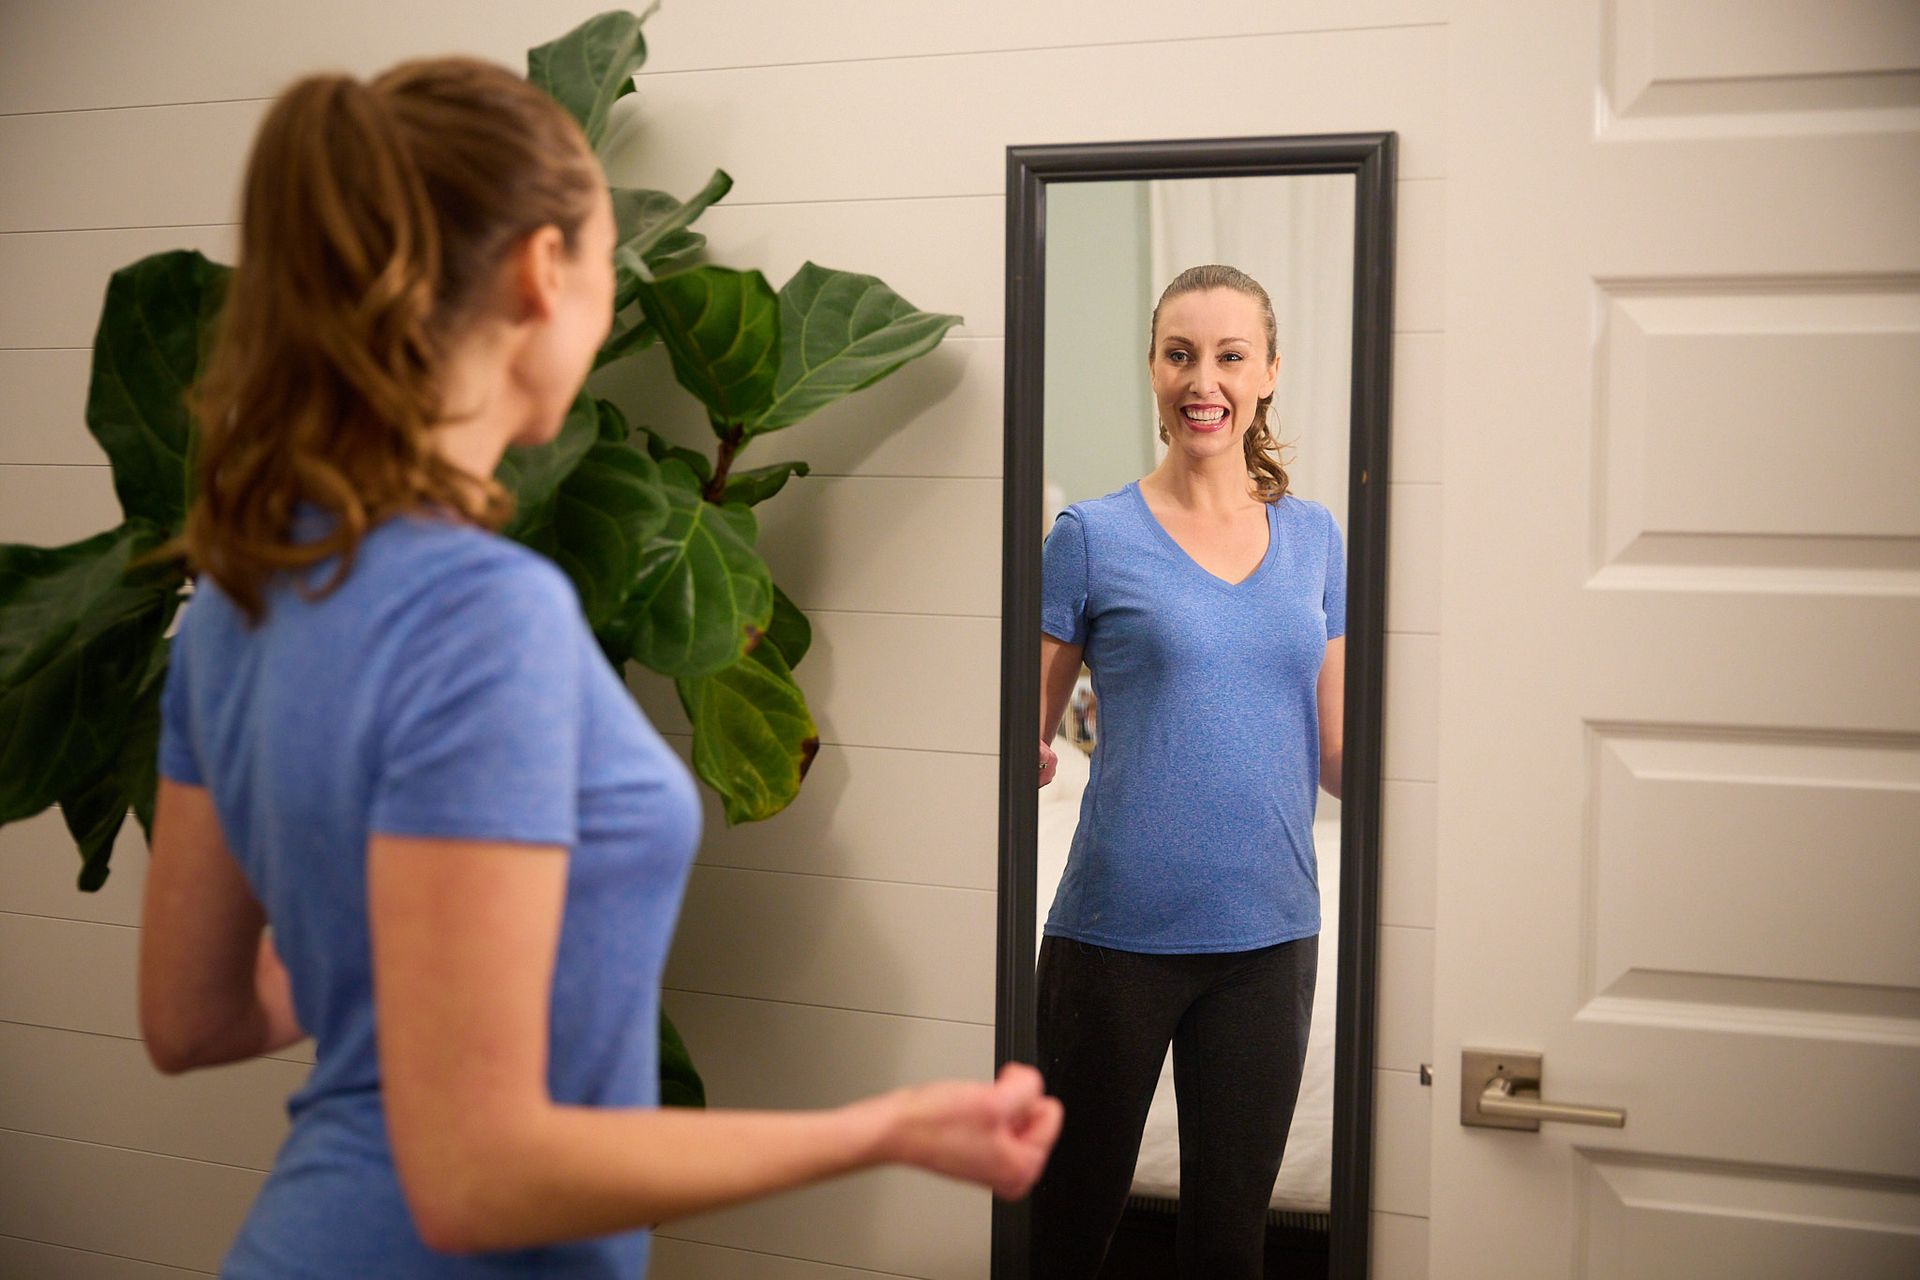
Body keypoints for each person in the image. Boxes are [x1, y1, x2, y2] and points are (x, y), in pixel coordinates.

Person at [136, 58, 1060, 1278]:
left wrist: (386, 960)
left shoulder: (239, 593)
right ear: (540, 269)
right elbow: (477, 1179)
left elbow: (189, 1018)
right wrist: (880, 1128)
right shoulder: (483, 614)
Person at [1031, 264, 1345, 1277]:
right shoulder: (1091, 537)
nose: (1201, 379)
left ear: (1267, 373)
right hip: (1114, 940)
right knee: (1066, 1226)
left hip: (1271, 936)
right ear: (1154, 370)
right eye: (1179, 353)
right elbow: (1021, 742)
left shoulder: (1316, 539)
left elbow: (1340, 754)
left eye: (1227, 354)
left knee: (1229, 1247)